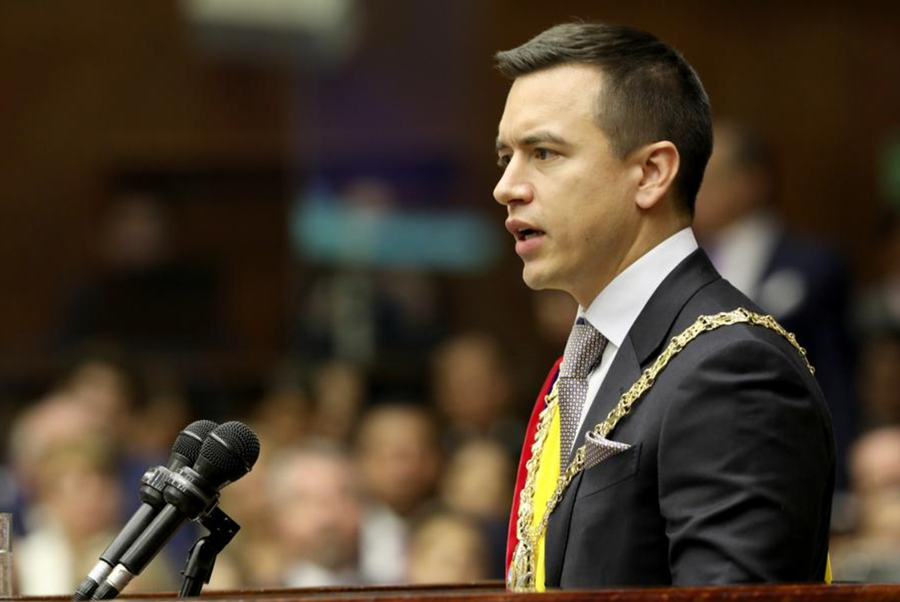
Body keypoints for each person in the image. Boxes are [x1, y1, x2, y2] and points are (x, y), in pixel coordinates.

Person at [492, 22, 835, 590]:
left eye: (544, 153)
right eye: (506, 157)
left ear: (651, 173)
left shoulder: (734, 368)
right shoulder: (592, 350)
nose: (508, 186)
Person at [694, 121, 857, 494]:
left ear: (753, 180)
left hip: (788, 460)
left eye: (709, 176)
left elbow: (835, 378)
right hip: (702, 460)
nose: (696, 190)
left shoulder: (814, 267)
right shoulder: (674, 265)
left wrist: (839, 482)